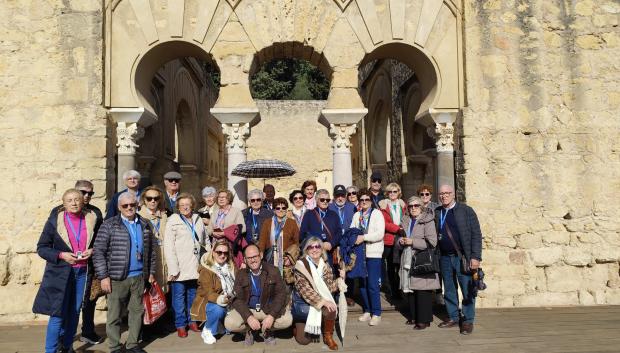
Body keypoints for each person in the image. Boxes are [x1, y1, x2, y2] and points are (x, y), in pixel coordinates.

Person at [34, 189, 98, 353]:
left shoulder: (92, 218)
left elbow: (99, 243)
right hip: (60, 273)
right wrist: (62, 255)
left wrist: (92, 250)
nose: (74, 203)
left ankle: (67, 346)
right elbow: (42, 248)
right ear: (64, 204)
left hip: (82, 272)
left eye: (77, 199)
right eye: (69, 200)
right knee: (57, 314)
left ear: (83, 201)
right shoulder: (54, 222)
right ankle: (50, 350)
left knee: (75, 312)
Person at [93, 191, 156, 353]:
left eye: (132, 205)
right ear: (119, 207)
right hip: (116, 277)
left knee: (137, 312)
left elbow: (151, 252)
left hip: (139, 276)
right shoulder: (109, 224)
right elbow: (98, 251)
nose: (129, 208)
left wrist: (151, 272)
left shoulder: (145, 224)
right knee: (114, 315)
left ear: (137, 205)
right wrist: (103, 276)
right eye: (125, 205)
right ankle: (114, 346)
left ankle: (132, 344)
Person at [49, 180, 103, 345]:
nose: (86, 196)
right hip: (64, 268)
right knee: (63, 308)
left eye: (90, 193)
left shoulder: (95, 213)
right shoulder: (58, 212)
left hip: (87, 267)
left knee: (85, 302)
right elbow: (52, 240)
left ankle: (85, 332)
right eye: (82, 192)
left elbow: (100, 238)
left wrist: (93, 250)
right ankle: (60, 340)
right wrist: (61, 255)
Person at [435, 184, 483, 335]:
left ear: (454, 194)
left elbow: (476, 234)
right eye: (441, 193)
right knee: (449, 289)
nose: (444, 196)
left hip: (462, 257)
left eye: (447, 193)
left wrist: (475, 257)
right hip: (444, 257)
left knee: (467, 289)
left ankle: (468, 320)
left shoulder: (466, 210)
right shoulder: (437, 212)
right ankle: (454, 317)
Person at [224, 244, 293, 346]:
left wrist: (272, 315)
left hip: (268, 309)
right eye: (249, 258)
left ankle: (268, 330)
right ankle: (250, 330)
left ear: (260, 255)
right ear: (245, 259)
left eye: (255, 256)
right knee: (229, 323)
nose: (253, 260)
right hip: (249, 310)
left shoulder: (273, 270)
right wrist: (248, 317)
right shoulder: (240, 274)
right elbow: (237, 299)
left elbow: (281, 294)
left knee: (288, 320)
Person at [164, 193, 208, 338]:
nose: (185, 207)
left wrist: (208, 257)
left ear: (192, 205)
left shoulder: (197, 219)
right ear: (178, 207)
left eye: (187, 204)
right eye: (181, 205)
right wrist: (173, 267)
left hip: (195, 265)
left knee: (193, 296)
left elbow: (205, 239)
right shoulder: (173, 220)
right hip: (180, 266)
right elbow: (168, 246)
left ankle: (192, 321)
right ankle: (180, 324)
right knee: (178, 298)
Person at [395, 196, 439, 329]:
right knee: (411, 290)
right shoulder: (406, 220)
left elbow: (432, 242)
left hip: (421, 258)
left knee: (423, 291)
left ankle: (424, 320)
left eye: (416, 206)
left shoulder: (428, 220)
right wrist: (401, 242)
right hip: (407, 257)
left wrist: (412, 242)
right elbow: (398, 239)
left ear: (421, 207)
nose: (413, 208)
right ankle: (414, 317)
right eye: (410, 206)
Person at [292, 237, 341, 350]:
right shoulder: (301, 265)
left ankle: (327, 336)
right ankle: (295, 327)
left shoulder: (325, 266)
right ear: (306, 250)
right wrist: (324, 301)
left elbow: (329, 287)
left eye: (317, 246)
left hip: (318, 304)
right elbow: (305, 291)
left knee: (331, 308)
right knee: (304, 340)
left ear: (321, 249)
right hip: (305, 306)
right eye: (311, 247)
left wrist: (340, 281)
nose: (314, 249)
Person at [190, 239, 237, 345]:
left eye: (225, 253)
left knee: (235, 326)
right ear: (213, 252)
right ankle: (208, 329)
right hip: (210, 303)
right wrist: (221, 299)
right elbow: (208, 293)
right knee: (218, 309)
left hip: (230, 301)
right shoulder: (206, 270)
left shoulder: (231, 266)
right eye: (219, 252)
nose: (222, 255)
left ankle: (221, 324)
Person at [350, 188, 385, 326]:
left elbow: (379, 234)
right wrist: (354, 237)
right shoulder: (356, 215)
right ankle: (367, 310)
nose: (364, 202)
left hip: (373, 254)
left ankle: (376, 313)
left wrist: (363, 237)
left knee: (372, 284)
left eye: (367, 200)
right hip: (360, 254)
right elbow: (352, 231)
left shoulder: (377, 214)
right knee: (363, 284)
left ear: (371, 201)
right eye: (362, 200)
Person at [299, 189, 341, 268]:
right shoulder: (309, 214)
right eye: (322, 199)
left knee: (328, 277)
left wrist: (331, 243)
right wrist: (319, 243)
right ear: (316, 200)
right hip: (313, 252)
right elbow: (302, 234)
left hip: (329, 253)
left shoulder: (334, 215)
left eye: (327, 200)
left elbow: (339, 232)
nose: (325, 201)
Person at [378, 182, 406, 300]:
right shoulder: (383, 206)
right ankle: (394, 291)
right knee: (391, 266)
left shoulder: (403, 205)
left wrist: (403, 228)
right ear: (387, 193)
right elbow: (384, 223)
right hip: (389, 239)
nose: (393, 194)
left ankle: (403, 289)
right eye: (390, 192)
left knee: (402, 264)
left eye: (395, 191)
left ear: (399, 192)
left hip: (402, 237)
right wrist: (397, 229)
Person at [417, 183, 444, 305]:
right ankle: (426, 295)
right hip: (421, 242)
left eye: (427, 194)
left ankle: (438, 293)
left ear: (431, 195)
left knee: (437, 268)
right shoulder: (416, 207)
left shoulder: (437, 208)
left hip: (435, 242)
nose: (424, 196)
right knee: (423, 268)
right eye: (422, 194)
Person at [138, 186, 168, 292]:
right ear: (144, 200)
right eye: (149, 198)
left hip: (164, 258)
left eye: (156, 198)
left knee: (162, 295)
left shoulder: (165, 216)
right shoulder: (139, 217)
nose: (153, 201)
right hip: (149, 260)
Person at [257, 197, 299, 274]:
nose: (281, 210)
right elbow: (262, 240)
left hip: (285, 258)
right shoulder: (267, 222)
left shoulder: (292, 223)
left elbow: (296, 243)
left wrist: (290, 258)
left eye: (283, 208)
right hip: (270, 257)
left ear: (286, 209)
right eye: (278, 208)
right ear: (274, 210)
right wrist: (260, 253)